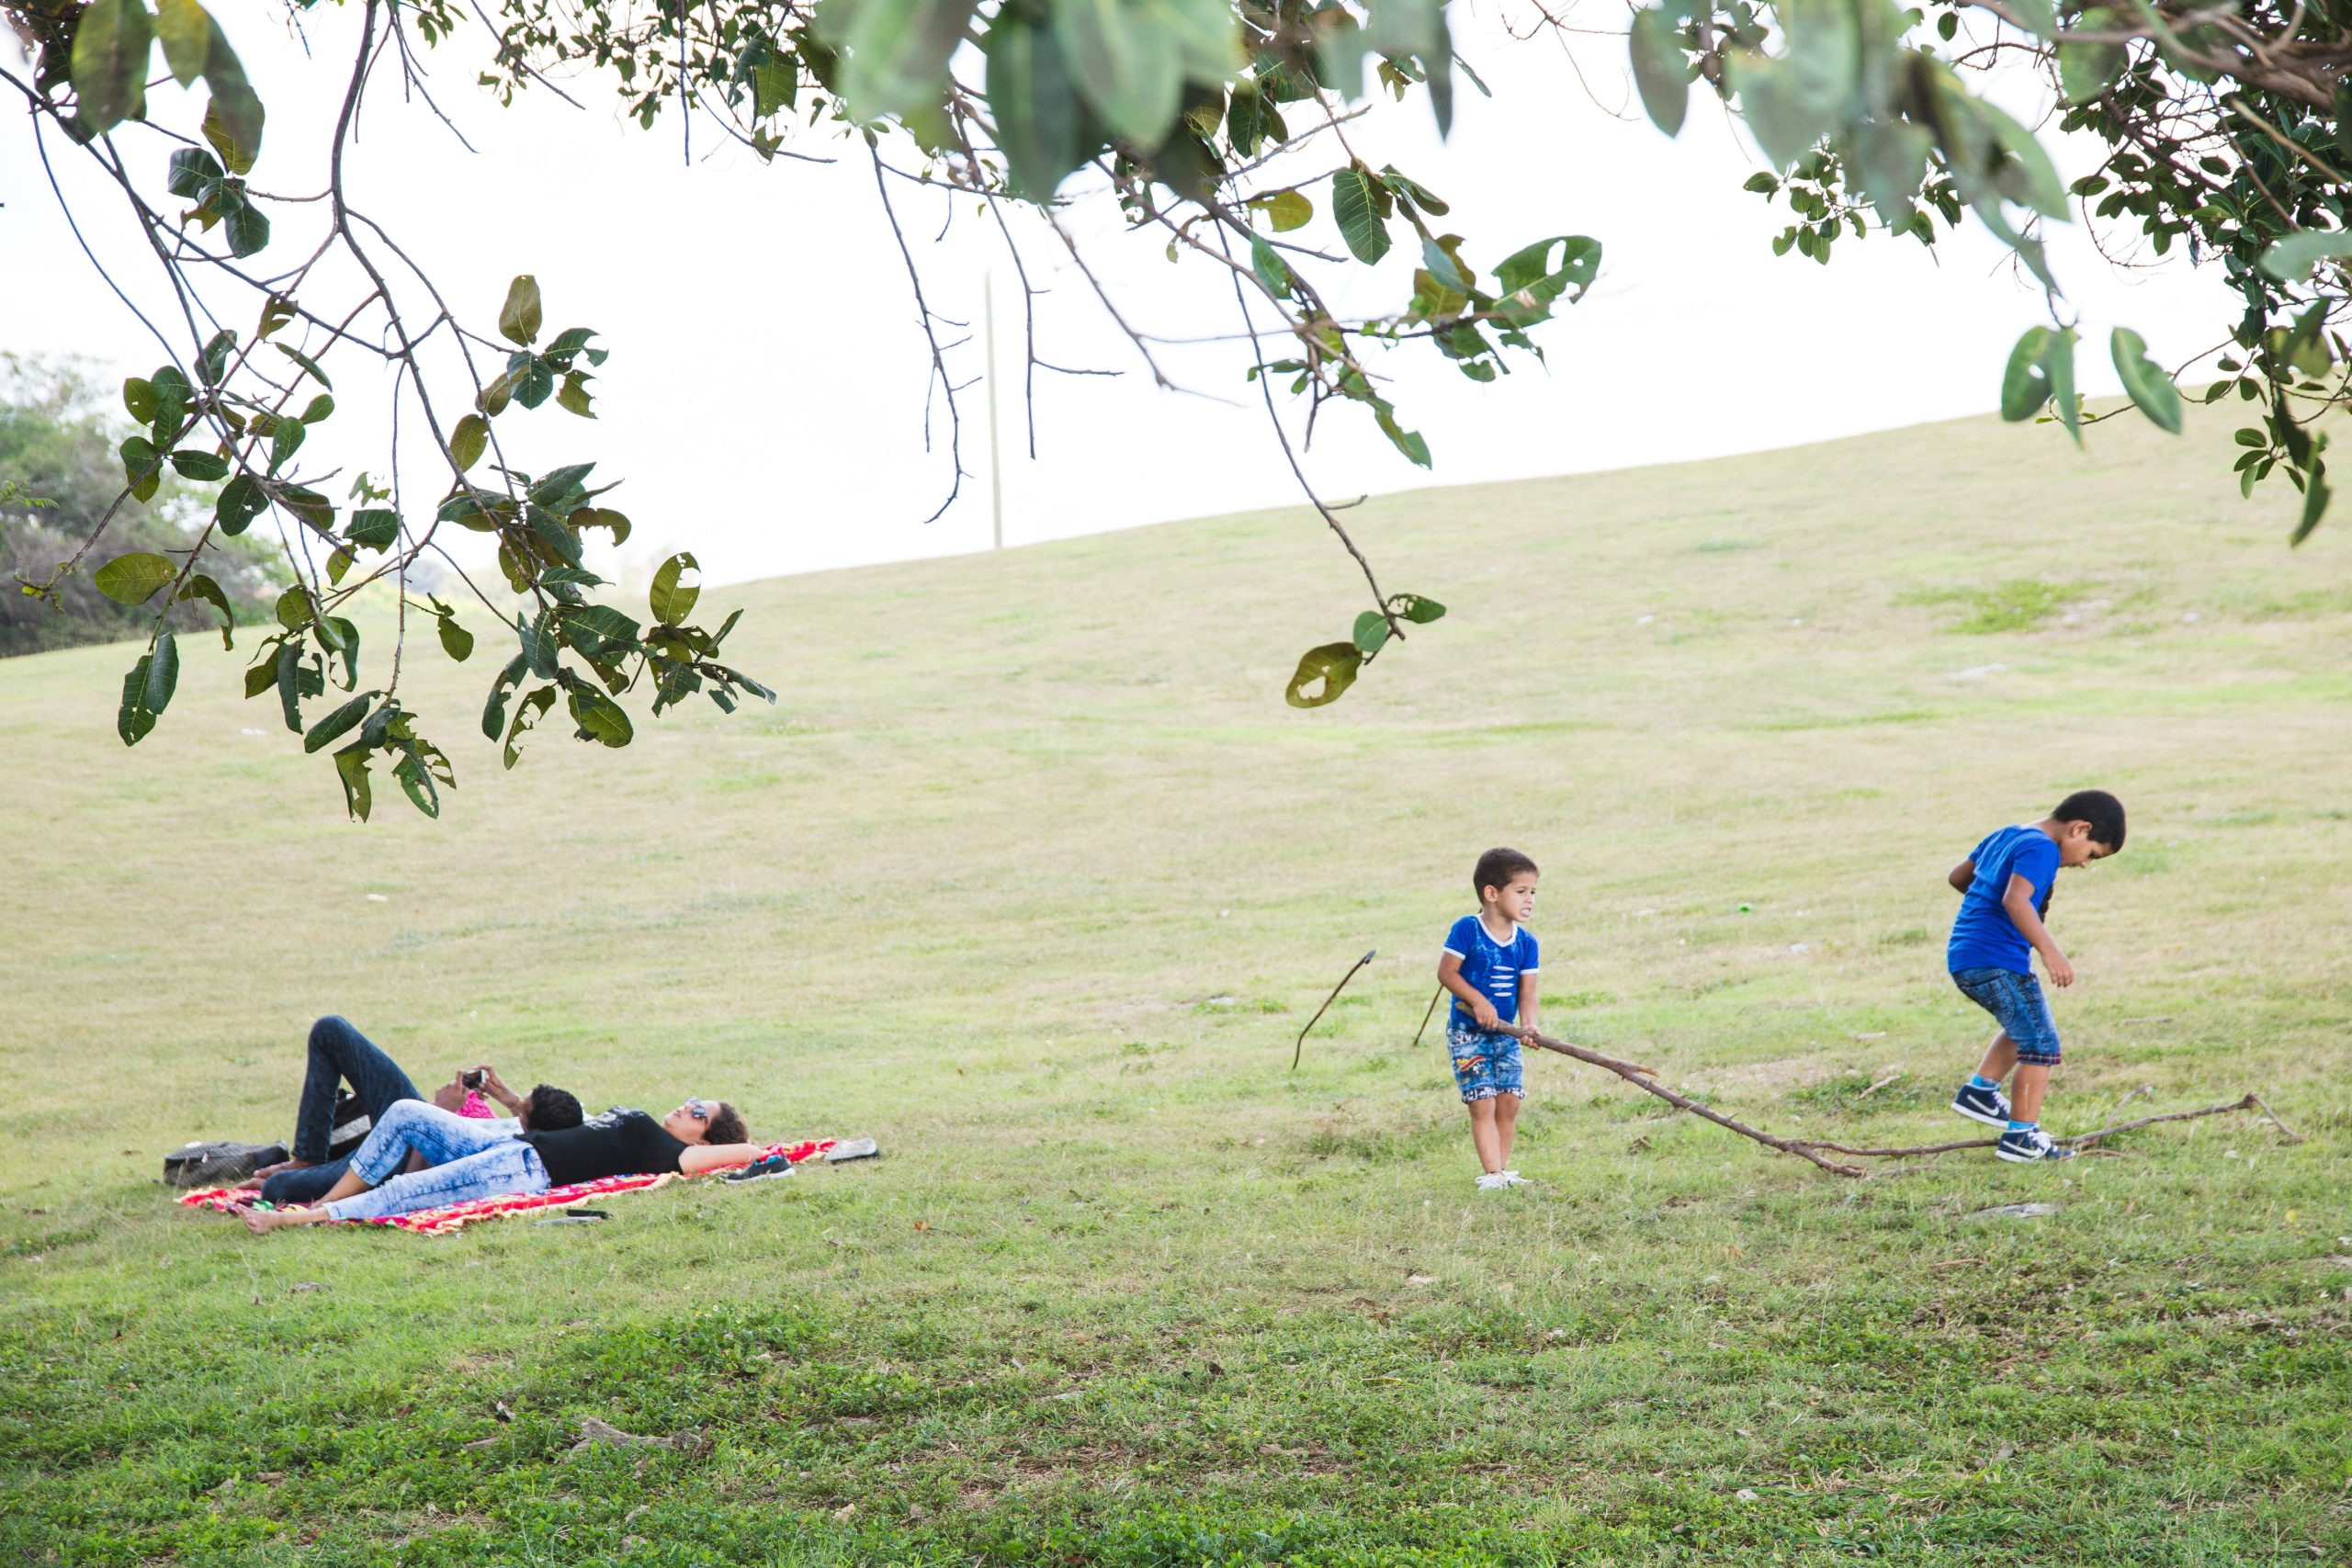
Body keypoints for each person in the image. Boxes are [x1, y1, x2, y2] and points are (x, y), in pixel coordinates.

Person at [240, 1096, 762, 1233]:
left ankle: (300, 1218)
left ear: (706, 1137)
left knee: (409, 1192)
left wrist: (759, 1151)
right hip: (509, 1148)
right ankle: (330, 1200)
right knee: (404, 1114)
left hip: (524, 1174)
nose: (687, 1107)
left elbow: (744, 1154)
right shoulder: (643, 1122)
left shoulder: (670, 1155)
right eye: (694, 1099)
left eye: (700, 1113)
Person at [1944, 790, 2127, 1163]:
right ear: (2079, 829)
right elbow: (2016, 900)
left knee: (2024, 1025)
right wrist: (2050, 950)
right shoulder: (2042, 848)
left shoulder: (2007, 834)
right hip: (1997, 959)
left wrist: (1989, 900)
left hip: (1967, 955)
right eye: (2092, 853)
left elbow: (1958, 878)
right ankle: (2021, 1138)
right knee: (2041, 1045)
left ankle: (1979, 1093)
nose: (2085, 864)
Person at [245, 1016, 582, 1204]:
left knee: (278, 1189)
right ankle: (309, 1155)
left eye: (521, 1111)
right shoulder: (549, 1131)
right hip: (409, 1120)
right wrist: (509, 1099)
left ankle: (312, 1169)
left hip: (391, 1161)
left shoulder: (507, 1160)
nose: (515, 1108)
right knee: (330, 1031)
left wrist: (441, 1112)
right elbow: (564, 1118)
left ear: (529, 1128)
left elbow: (414, 1179)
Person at [1437, 848, 1543, 1191]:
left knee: (1509, 1100)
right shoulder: (1468, 929)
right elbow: (1447, 973)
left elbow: (1527, 993)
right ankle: (1492, 1173)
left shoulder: (1527, 943)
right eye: (1521, 891)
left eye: (1533, 893)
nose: (1530, 900)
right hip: (1469, 1034)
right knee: (1483, 1101)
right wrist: (1477, 1000)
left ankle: (1503, 1170)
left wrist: (1528, 1025)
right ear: (1492, 893)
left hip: (1506, 1035)